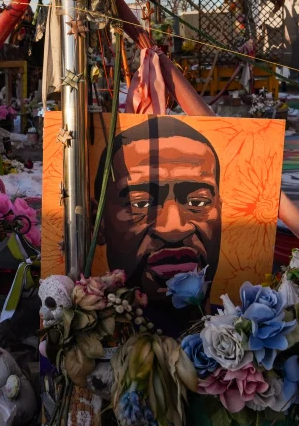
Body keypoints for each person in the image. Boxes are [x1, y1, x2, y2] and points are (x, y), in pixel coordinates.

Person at [94, 116, 222, 332]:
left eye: (198, 202)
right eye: (140, 204)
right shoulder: (90, 339)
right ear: (97, 222)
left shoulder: (244, 331)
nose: (174, 227)